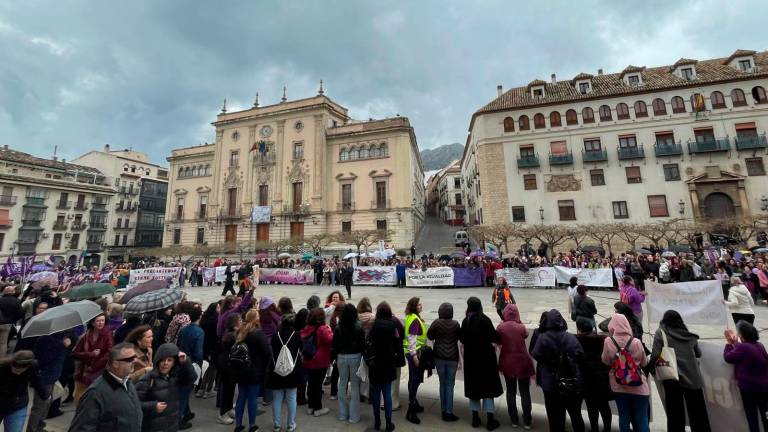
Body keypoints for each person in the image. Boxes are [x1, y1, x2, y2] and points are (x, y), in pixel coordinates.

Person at [649, 310, 710, 432]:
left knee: (675, 413)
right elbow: (698, 354)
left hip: (672, 377)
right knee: (698, 413)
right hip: (692, 376)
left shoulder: (661, 333)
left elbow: (655, 355)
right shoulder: (688, 335)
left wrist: (651, 369)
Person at [68, 343, 143, 432]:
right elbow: (81, 428)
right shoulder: (95, 393)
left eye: (135, 357)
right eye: (130, 359)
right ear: (115, 364)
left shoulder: (127, 383)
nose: (135, 361)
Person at [531, 309, 585, 432]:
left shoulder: (543, 338)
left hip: (550, 383)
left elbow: (535, 354)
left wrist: (549, 362)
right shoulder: (570, 337)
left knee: (554, 416)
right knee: (575, 415)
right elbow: (580, 355)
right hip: (570, 383)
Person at [601, 313, 650, 432]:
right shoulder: (636, 342)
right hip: (638, 386)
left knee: (624, 417)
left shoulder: (608, 341)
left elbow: (605, 361)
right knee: (642, 418)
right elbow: (644, 363)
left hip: (619, 386)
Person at [460, 297, 502, 430]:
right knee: (488, 388)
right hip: (486, 359)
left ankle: (475, 418)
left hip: (471, 359)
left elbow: (462, 338)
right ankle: (490, 420)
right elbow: (495, 336)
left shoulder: (466, 321)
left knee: (474, 388)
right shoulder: (485, 319)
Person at [135, 343, 197, 432]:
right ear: (157, 361)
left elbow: (192, 378)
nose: (165, 363)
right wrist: (153, 406)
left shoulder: (175, 377)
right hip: (152, 427)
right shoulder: (148, 379)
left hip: (172, 425)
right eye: (162, 360)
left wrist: (186, 362)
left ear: (174, 362)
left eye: (169, 360)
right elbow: (134, 403)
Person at [724, 321, 768, 432]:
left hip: (749, 388)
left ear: (742, 335)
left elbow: (728, 357)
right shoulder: (759, 345)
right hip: (763, 386)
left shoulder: (744, 348)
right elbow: (744, 351)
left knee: (751, 416)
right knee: (765, 415)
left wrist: (729, 344)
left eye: (738, 333)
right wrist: (736, 343)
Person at [497, 304, 535, 429]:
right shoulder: (521, 327)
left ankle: (514, 420)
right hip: (522, 362)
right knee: (525, 392)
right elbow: (525, 335)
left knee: (511, 391)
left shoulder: (501, 327)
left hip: (507, 362)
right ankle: (527, 421)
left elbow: (498, 341)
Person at [232, 309, 271, 432]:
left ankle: (238, 425)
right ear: (256, 319)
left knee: (241, 396)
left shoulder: (240, 331)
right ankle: (252, 425)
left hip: (240, 368)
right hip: (254, 370)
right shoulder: (258, 333)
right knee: (252, 398)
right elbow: (266, 352)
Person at [575, 317, 612, 432]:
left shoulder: (577, 340)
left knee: (592, 408)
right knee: (604, 406)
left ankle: (594, 429)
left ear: (579, 329)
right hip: (602, 379)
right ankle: (607, 429)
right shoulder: (603, 339)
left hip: (586, 380)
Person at [267, 314, 302, 432]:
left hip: (277, 370)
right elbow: (301, 349)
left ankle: (277, 425)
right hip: (292, 370)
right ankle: (291, 424)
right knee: (291, 398)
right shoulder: (296, 335)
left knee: (277, 398)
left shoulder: (275, 336)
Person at [427, 302, 461, 422]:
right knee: (450, 385)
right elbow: (460, 337)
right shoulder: (456, 324)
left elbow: (429, 336)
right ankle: (449, 411)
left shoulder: (436, 322)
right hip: (452, 357)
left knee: (442, 383)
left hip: (439, 356)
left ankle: (443, 410)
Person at [332, 303, 365, 424]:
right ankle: (354, 416)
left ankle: (342, 414)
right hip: (355, 356)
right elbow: (362, 344)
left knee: (342, 383)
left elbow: (334, 345)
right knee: (355, 385)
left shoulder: (338, 327)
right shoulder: (359, 326)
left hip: (341, 356)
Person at [368, 301, 399, 431]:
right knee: (387, 393)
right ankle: (388, 422)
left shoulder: (374, 325)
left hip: (375, 363)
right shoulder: (393, 325)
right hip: (388, 363)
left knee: (375, 393)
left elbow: (369, 340)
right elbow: (397, 342)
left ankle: (377, 421)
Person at [72, 314, 114, 405]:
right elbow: (75, 353)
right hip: (84, 370)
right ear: (92, 323)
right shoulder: (85, 336)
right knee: (80, 395)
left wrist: (94, 366)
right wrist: (90, 354)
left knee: (96, 395)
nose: (101, 323)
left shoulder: (107, 334)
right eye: (98, 321)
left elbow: (109, 353)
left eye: (103, 320)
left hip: (100, 370)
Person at [0, 351, 46, 432]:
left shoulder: (33, 367)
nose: (17, 372)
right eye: (14, 369)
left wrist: (44, 395)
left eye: (20, 371)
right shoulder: (2, 367)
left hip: (17, 405)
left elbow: (37, 382)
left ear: (27, 367)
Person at [300, 307, 333, 417]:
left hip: (308, 359)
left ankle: (310, 406)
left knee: (311, 383)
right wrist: (329, 329)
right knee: (318, 385)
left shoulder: (307, 328)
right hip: (320, 360)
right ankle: (318, 408)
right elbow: (330, 340)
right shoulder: (322, 328)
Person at [175, 307, 204, 426]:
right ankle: (179, 419)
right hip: (191, 363)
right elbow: (198, 352)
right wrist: (200, 363)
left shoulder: (184, 329)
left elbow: (177, 344)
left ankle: (186, 412)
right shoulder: (199, 331)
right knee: (185, 391)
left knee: (184, 389)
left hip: (181, 361)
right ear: (199, 317)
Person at [403, 296, 427, 424]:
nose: (421, 306)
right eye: (418, 305)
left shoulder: (412, 317)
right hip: (415, 353)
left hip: (411, 352)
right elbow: (412, 338)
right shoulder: (414, 320)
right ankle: (411, 410)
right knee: (415, 379)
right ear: (414, 306)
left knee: (413, 378)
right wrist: (414, 356)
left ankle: (414, 403)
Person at [216, 314, 241, 425]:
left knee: (230, 389)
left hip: (228, 364)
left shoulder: (229, 334)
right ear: (235, 323)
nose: (241, 321)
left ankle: (229, 409)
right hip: (227, 366)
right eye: (239, 320)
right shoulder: (231, 336)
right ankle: (222, 414)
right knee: (227, 390)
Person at [0, 286, 23, 357]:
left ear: (4, 292)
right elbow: (20, 314)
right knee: (3, 343)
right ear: (13, 292)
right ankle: (1, 359)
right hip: (7, 324)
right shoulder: (17, 301)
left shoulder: (0, 300)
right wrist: (13, 320)